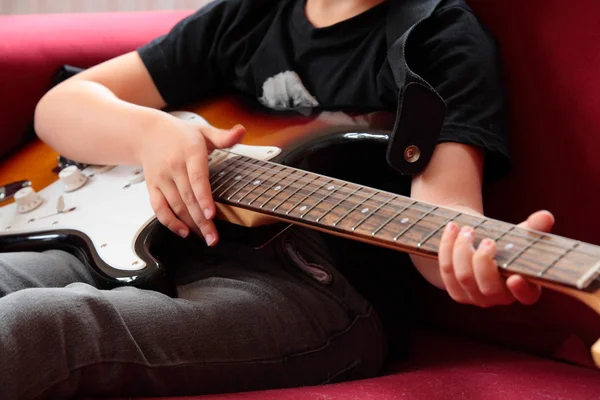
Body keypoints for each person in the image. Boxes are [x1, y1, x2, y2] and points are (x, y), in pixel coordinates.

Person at [0, 0, 555, 399]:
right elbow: (63, 106)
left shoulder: (438, 39)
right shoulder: (248, 16)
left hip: (311, 292)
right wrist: (151, 135)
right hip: (153, 236)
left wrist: (472, 261)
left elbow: (447, 217)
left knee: (37, 328)